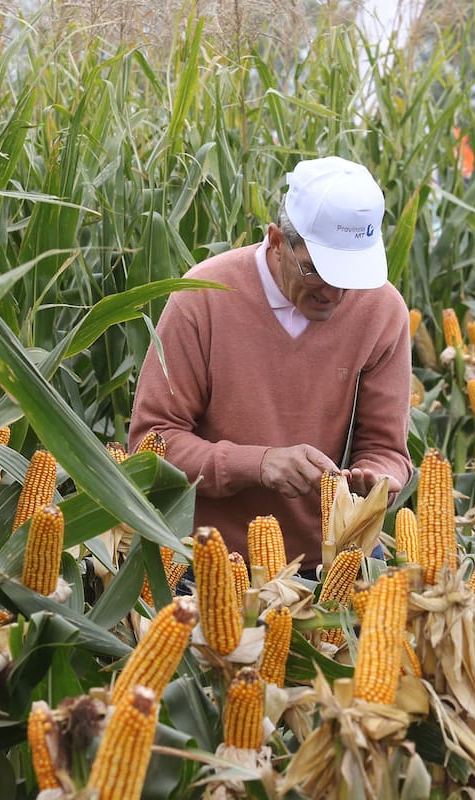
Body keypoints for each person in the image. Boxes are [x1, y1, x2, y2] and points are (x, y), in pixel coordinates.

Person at [128, 156, 413, 573]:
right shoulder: (201, 300)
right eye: (316, 271)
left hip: (327, 564)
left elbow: (387, 450)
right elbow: (152, 443)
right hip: (205, 563)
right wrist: (259, 464)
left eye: (349, 277)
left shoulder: (383, 312)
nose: (333, 294)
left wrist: (376, 478)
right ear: (276, 241)